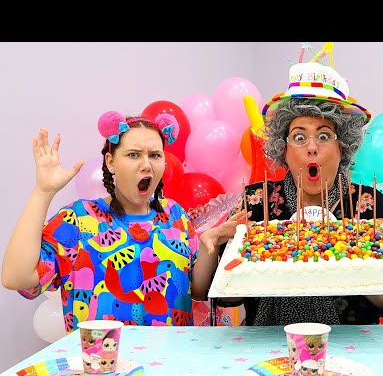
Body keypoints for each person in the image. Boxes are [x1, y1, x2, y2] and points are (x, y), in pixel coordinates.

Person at [1, 111, 246, 332]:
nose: (146, 164)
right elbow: (15, 277)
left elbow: (198, 290)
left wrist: (207, 245)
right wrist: (43, 192)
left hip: (168, 366)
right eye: (133, 155)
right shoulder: (78, 219)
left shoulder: (175, 216)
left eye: (155, 155)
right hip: (102, 368)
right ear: (110, 162)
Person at [207, 57, 383, 326]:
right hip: (269, 344)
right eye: (299, 137)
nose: (311, 147)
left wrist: (358, 258)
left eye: (324, 136)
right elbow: (227, 298)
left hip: (350, 349)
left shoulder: (373, 208)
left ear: (343, 147)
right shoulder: (256, 202)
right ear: (284, 149)